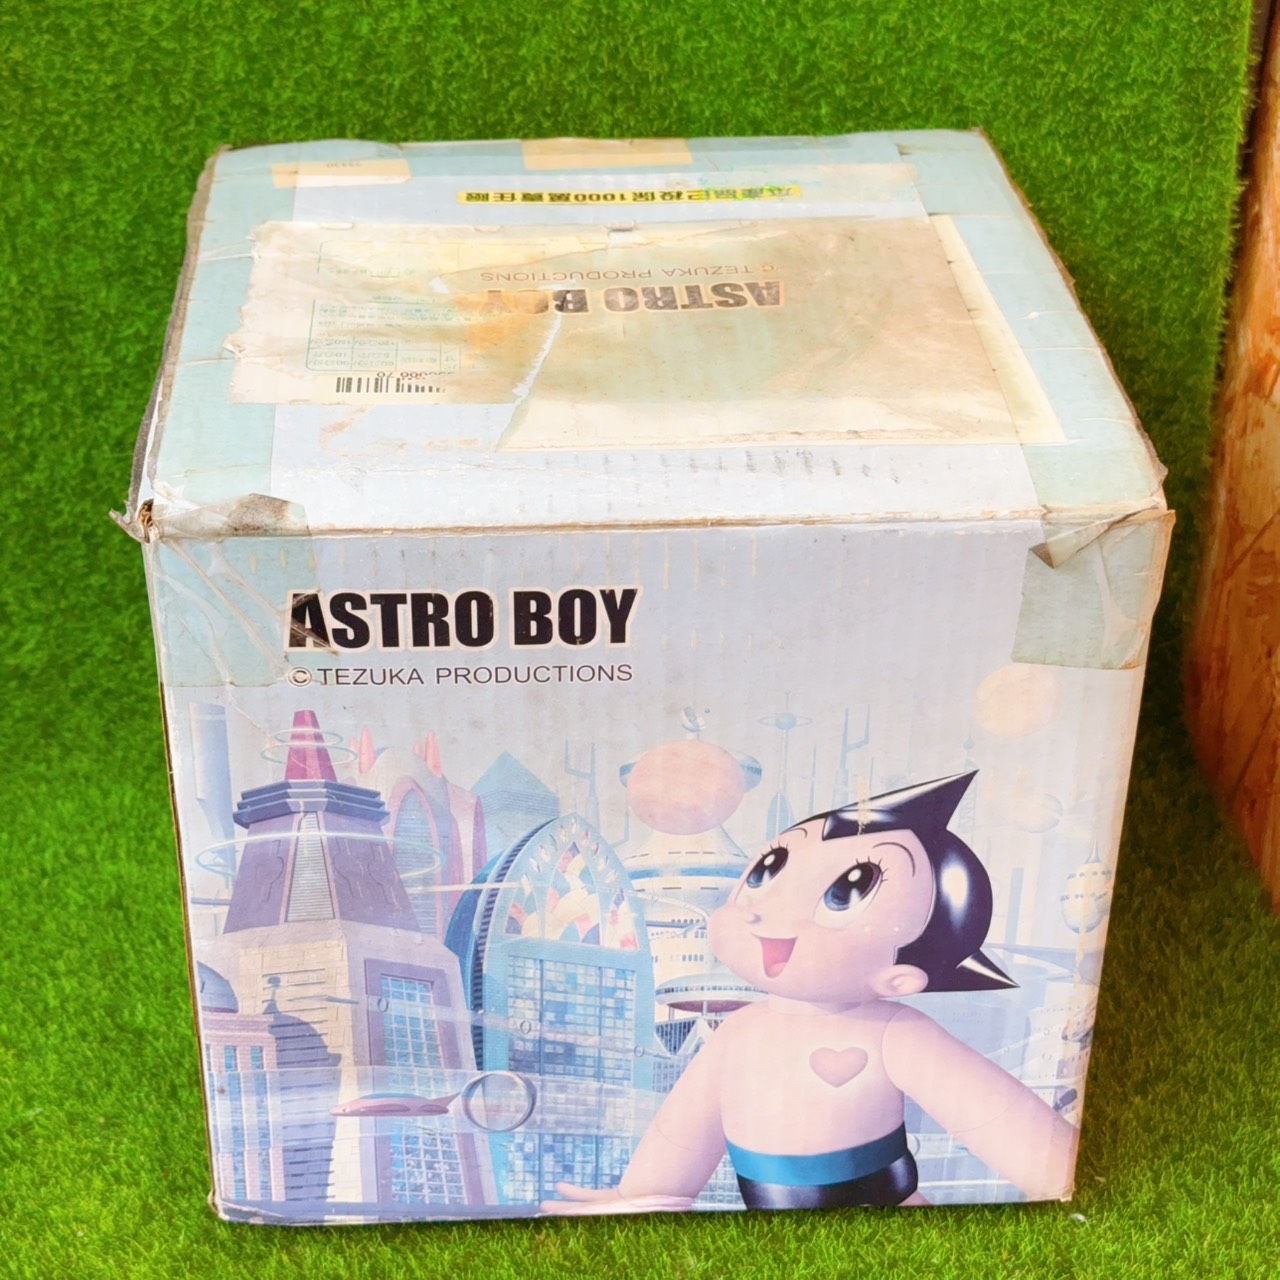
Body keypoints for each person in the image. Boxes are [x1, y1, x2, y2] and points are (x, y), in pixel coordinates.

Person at [542, 772, 1078, 1214]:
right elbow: (685, 1128)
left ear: (899, 978)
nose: (766, 909)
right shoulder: (741, 1031)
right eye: (767, 870)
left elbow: (998, 1119)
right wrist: (644, 1194)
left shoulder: (896, 1034)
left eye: (846, 891)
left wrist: (1058, 1178)